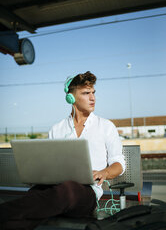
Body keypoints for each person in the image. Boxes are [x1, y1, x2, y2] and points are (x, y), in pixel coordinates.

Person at [0, 71, 125, 230]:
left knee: (66, 189)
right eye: (86, 93)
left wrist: (104, 173)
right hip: (54, 190)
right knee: (34, 195)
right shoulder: (56, 129)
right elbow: (50, 164)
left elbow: (119, 163)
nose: (92, 98)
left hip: (86, 194)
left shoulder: (106, 126)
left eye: (93, 92)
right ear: (71, 98)